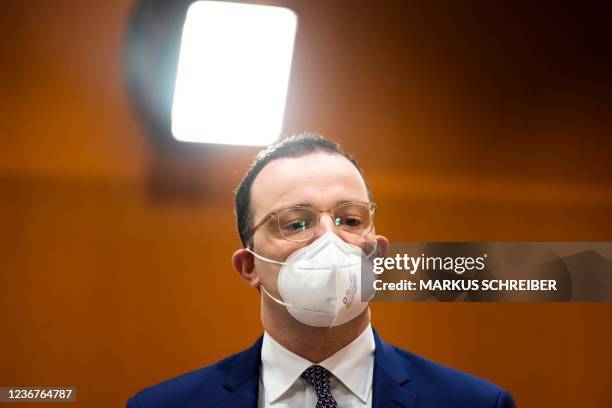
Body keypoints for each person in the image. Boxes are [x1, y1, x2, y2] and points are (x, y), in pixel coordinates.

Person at [127, 134, 516, 407]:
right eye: (297, 223)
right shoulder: (163, 405)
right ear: (249, 267)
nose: (329, 238)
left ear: (377, 256)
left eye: (349, 220)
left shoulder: (475, 403)